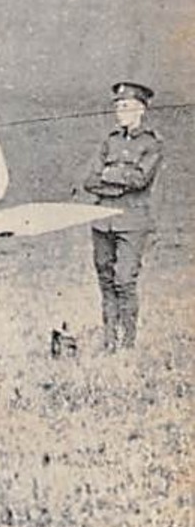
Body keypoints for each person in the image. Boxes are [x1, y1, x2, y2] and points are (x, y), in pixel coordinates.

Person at [78, 80, 164, 351]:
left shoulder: (152, 144)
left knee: (124, 280)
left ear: (141, 109)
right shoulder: (109, 141)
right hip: (103, 221)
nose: (120, 111)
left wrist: (108, 175)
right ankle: (109, 341)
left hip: (132, 223)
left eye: (126, 106)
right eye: (118, 106)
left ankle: (127, 344)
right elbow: (89, 180)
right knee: (105, 281)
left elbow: (140, 179)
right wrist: (116, 180)